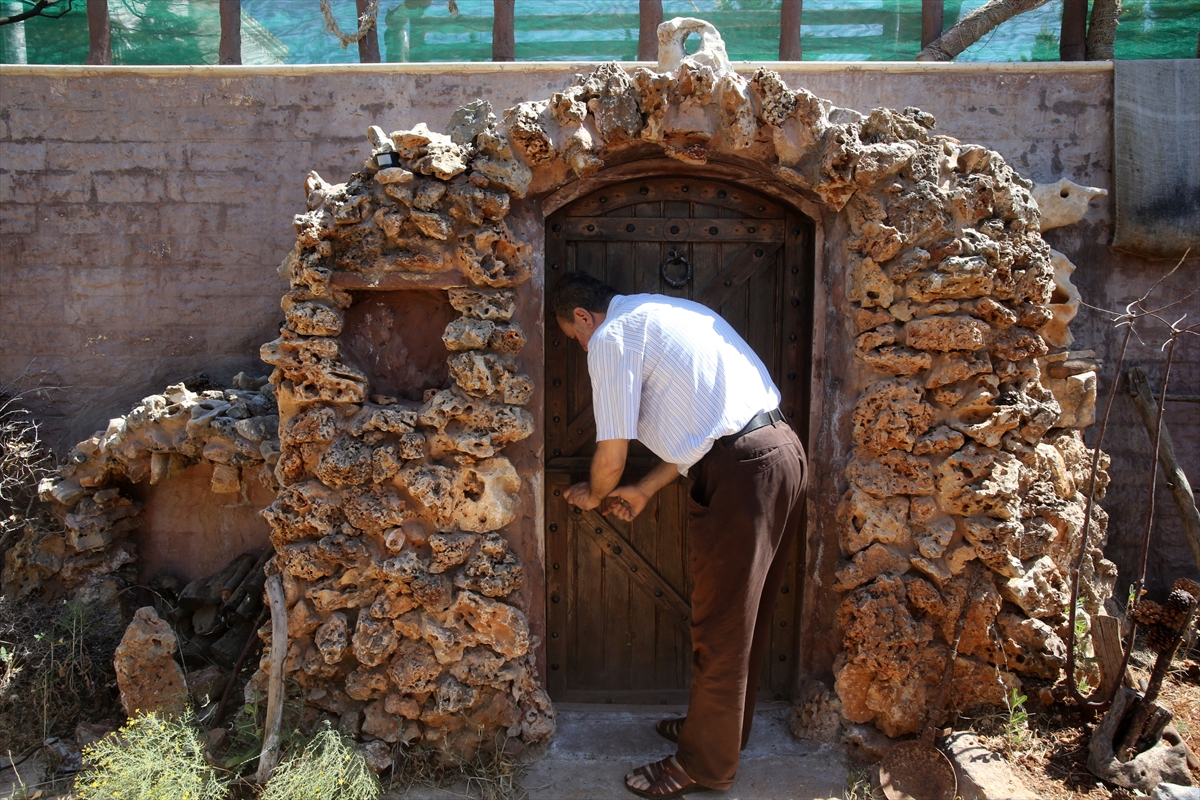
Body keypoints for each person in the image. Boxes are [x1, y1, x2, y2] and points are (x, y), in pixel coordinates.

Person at [549, 270, 808, 799]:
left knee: (721, 624)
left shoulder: (613, 337)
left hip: (744, 469)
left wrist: (596, 494)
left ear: (583, 317)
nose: (580, 349)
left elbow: (611, 454)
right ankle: (716, 734)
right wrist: (644, 489)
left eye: (575, 339)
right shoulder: (656, 312)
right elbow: (703, 429)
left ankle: (703, 766)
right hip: (774, 453)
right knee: (742, 617)